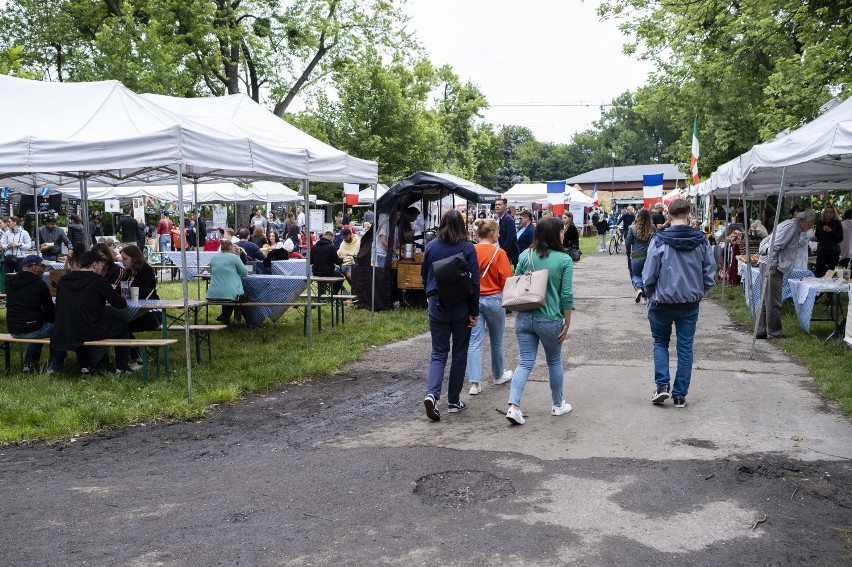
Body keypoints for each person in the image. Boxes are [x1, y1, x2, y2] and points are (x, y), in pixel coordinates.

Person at [642, 198, 715, 408]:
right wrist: (700, 291)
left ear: (668, 215)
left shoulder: (659, 240)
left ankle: (662, 386)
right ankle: (680, 395)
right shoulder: (701, 240)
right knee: (685, 348)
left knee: (660, 342)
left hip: (661, 302)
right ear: (689, 214)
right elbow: (709, 273)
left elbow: (649, 274)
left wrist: (648, 292)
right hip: (689, 304)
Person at [504, 217, 574, 425]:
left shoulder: (526, 255)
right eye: (561, 231)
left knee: (525, 362)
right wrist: (567, 322)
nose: (563, 234)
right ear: (555, 234)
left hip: (525, 317)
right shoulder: (564, 260)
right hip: (550, 319)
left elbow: (516, 280)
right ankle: (557, 404)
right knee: (554, 361)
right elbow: (567, 295)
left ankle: (513, 406)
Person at [420, 210, 479, 422]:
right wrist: (474, 310)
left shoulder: (431, 246)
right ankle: (453, 401)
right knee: (460, 352)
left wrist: (429, 295)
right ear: (462, 227)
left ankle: (431, 394)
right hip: (461, 305)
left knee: (438, 352)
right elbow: (474, 283)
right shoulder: (468, 247)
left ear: (442, 224)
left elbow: (424, 273)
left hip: (437, 303)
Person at [49, 250, 133, 374]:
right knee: (122, 326)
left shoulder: (64, 281)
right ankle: (121, 368)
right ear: (94, 264)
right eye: (101, 265)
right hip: (89, 329)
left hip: (65, 329)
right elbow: (121, 304)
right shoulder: (98, 281)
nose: (102, 267)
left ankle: (85, 366)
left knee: (80, 320)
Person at [466, 219, 514, 396]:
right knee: (497, 339)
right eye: (498, 232)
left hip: (474, 299)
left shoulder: (470, 250)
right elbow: (507, 279)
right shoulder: (499, 253)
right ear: (492, 233)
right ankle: (498, 374)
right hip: (494, 299)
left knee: (475, 340)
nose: (499, 235)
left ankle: (475, 383)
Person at [756, 209, 818, 340]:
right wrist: (772, 265)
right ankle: (774, 332)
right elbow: (775, 246)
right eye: (811, 224)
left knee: (765, 299)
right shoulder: (791, 226)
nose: (810, 227)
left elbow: (770, 240)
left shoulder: (791, 226)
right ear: (804, 221)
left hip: (768, 263)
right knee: (773, 300)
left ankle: (762, 330)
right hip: (772, 265)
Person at [6, 255, 58, 372]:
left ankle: (28, 365)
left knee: (38, 326)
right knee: (60, 328)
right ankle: (53, 367)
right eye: (42, 266)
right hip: (32, 329)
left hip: (13, 329)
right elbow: (50, 311)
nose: (44, 269)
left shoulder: (11, 282)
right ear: (34, 267)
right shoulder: (39, 284)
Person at [207, 240, 248, 325]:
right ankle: (238, 320)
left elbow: (211, 272)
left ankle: (225, 319)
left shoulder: (213, 258)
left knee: (228, 294)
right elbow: (244, 272)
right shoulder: (234, 257)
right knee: (235, 295)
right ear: (230, 248)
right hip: (231, 295)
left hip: (212, 294)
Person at [625, 208, 654, 303]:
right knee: (648, 276)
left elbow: (628, 242)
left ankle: (639, 289)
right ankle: (646, 298)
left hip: (636, 255)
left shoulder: (632, 228)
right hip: (649, 256)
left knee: (636, 275)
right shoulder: (652, 228)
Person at [812, 206, 844, 277]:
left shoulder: (837, 223)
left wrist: (830, 231)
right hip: (822, 250)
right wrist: (813, 238)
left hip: (833, 251)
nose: (828, 213)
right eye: (827, 212)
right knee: (818, 272)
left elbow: (840, 238)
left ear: (834, 214)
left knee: (831, 273)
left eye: (831, 212)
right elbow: (818, 237)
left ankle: (831, 287)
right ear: (824, 213)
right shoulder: (820, 223)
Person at [494, 198, 519, 266]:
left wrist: (501, 251)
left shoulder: (508, 219)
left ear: (505, 206)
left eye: (499, 204)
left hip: (508, 254)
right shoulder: (496, 218)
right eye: (496, 204)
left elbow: (510, 238)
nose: (497, 206)